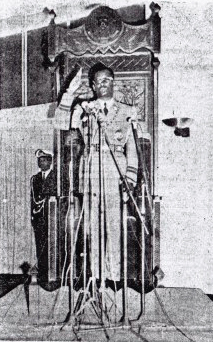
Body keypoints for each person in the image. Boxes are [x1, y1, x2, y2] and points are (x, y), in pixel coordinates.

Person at [55, 62, 138, 283]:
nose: (103, 84)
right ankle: (97, 277)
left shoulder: (128, 111)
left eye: (107, 80)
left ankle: (114, 278)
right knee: (93, 225)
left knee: (113, 223)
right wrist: (69, 93)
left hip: (115, 171)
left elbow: (133, 150)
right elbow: (60, 123)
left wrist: (130, 178)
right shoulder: (84, 108)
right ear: (92, 85)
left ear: (113, 82)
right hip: (91, 170)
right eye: (98, 80)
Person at [30, 149, 57, 281]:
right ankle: (42, 272)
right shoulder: (35, 179)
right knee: (39, 244)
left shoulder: (56, 177)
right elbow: (33, 200)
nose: (41, 162)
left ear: (50, 161)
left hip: (52, 218)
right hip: (39, 217)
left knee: (52, 245)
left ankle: (53, 273)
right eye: (39, 160)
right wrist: (33, 217)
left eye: (44, 160)